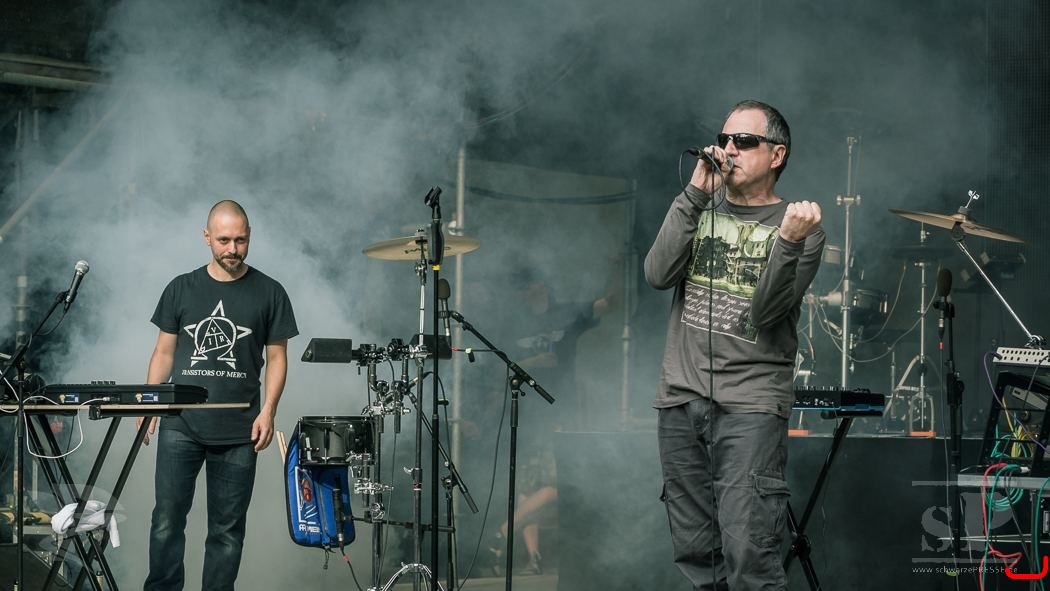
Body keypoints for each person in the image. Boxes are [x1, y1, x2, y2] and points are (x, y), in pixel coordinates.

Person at [644, 100, 824, 590]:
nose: (729, 149)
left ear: (777, 154)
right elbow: (657, 274)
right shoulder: (699, 206)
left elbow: (765, 313)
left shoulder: (800, 227)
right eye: (725, 139)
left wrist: (788, 242)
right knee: (696, 552)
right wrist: (694, 193)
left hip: (749, 406)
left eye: (744, 141)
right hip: (680, 399)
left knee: (749, 551)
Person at [137, 200, 298, 591]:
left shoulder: (271, 292)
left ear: (249, 237)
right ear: (206, 237)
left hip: (241, 429)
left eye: (240, 240)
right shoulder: (181, 288)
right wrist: (150, 402)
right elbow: (163, 353)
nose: (232, 249)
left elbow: (277, 358)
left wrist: (268, 411)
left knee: (227, 532)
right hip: (181, 425)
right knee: (166, 521)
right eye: (224, 240)